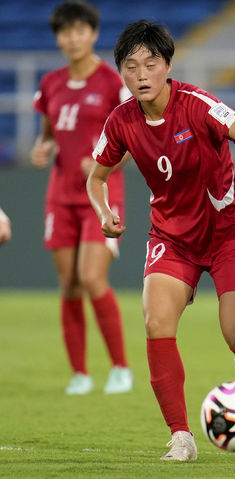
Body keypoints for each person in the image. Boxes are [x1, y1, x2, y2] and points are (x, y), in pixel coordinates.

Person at [87, 19, 235, 461]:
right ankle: (181, 437)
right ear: (121, 72)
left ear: (167, 66)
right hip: (172, 237)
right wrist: (105, 212)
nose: (141, 74)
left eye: (150, 63)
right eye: (131, 66)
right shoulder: (121, 121)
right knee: (155, 323)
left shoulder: (197, 103)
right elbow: (97, 178)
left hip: (227, 233)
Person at [30, 1, 132, 396]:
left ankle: (120, 368)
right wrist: (42, 148)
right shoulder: (51, 83)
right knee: (69, 283)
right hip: (60, 196)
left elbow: (131, 139)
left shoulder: (111, 83)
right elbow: (49, 132)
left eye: (80, 30)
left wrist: (106, 163)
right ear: (58, 38)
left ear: (93, 33)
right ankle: (80, 373)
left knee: (92, 277)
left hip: (101, 197)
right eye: (65, 32)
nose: (72, 38)